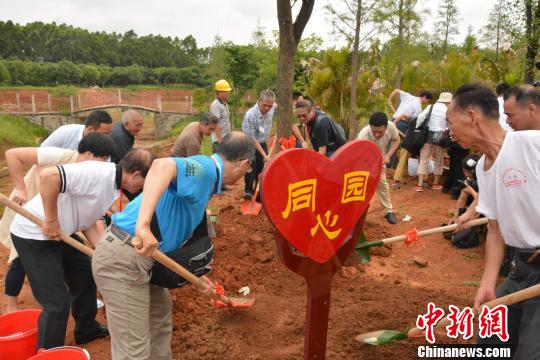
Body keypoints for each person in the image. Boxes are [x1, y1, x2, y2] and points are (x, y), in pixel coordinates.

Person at [92, 132, 255, 360]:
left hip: (145, 259)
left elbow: (173, 230)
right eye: (247, 171)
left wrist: (194, 278)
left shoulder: (207, 181)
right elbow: (161, 166)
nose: (243, 176)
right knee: (133, 350)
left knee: (160, 316)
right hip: (124, 258)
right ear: (244, 163)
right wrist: (143, 226)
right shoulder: (204, 169)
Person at [9, 148, 155, 350]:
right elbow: (49, 176)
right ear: (136, 175)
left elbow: (88, 220)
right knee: (56, 303)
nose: (142, 189)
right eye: (144, 184)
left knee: (86, 274)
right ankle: (50, 352)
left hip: (62, 233)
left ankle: (86, 330)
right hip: (34, 234)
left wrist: (104, 251)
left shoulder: (113, 185)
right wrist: (50, 219)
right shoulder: (98, 173)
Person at [446, 83, 540, 358]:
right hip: (519, 270)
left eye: (452, 122)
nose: (450, 132)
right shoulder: (485, 170)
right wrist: (488, 283)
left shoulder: (531, 145)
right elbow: (495, 229)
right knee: (490, 345)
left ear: (472, 117)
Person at [0, 133, 116, 313]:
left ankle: (82, 309)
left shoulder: (88, 173)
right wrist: (21, 189)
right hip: (28, 211)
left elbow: (91, 219)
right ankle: (11, 307)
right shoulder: (61, 156)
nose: (105, 163)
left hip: (59, 218)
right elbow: (13, 154)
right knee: (20, 259)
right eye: (103, 158)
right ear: (90, 155)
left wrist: (102, 249)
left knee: (77, 257)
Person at [357, 112, 400, 224]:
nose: (376, 134)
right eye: (374, 131)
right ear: (370, 127)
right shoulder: (363, 136)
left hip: (380, 159)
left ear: (386, 127)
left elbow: (396, 140)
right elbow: (358, 157)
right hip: (364, 163)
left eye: (380, 132)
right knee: (362, 188)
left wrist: (388, 155)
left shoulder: (391, 127)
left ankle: (388, 211)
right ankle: (357, 214)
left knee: (382, 184)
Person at [389, 90, 433, 188]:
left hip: (409, 136)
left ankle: (397, 181)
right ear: (425, 97)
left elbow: (396, 92)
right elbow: (404, 116)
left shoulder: (410, 97)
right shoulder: (419, 111)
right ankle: (423, 180)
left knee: (406, 153)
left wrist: (394, 122)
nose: (427, 102)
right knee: (421, 156)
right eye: (428, 100)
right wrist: (395, 123)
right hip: (414, 138)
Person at [414, 92, 453, 192]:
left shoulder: (431, 107)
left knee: (424, 159)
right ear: (448, 102)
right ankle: (435, 184)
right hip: (441, 135)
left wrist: (418, 127)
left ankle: (419, 185)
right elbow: (450, 123)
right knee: (439, 161)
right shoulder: (448, 110)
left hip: (429, 135)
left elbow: (421, 117)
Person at [242, 89, 276, 199]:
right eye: (265, 105)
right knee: (252, 165)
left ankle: (259, 193)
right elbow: (252, 139)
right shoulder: (250, 115)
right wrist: (264, 155)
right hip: (249, 143)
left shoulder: (272, 107)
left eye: (269, 106)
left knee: (262, 169)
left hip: (262, 141)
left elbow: (277, 105)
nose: (267, 108)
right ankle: (248, 191)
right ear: (259, 101)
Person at [41, 110, 113, 150]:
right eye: (104, 134)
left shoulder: (105, 145)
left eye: (109, 133)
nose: (107, 137)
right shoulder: (64, 133)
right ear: (90, 129)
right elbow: (42, 152)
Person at [210, 79, 232, 150]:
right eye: (226, 91)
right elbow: (215, 124)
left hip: (226, 139)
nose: (228, 93)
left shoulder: (224, 103)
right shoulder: (216, 105)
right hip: (219, 142)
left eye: (228, 91)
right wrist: (221, 141)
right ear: (219, 92)